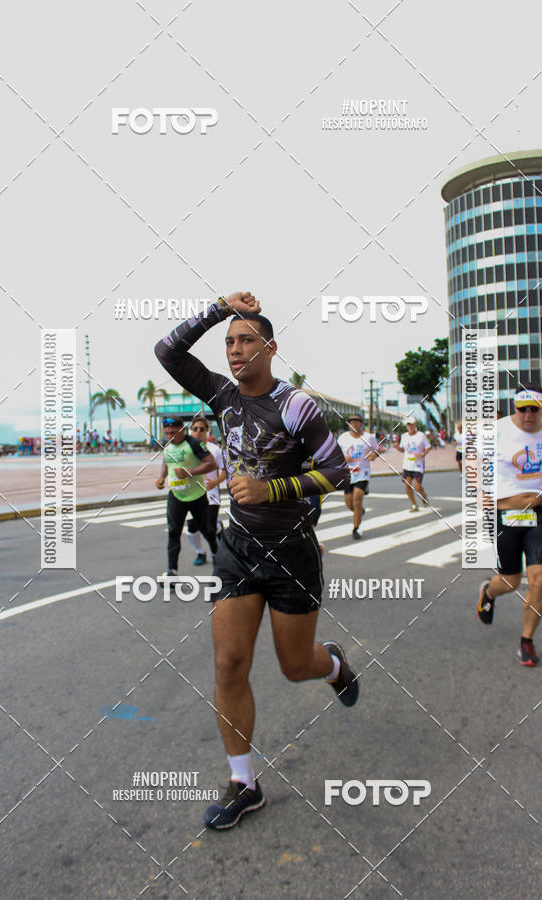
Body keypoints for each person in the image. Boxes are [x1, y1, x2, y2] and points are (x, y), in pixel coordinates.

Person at [155, 291, 357, 830]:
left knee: (296, 667)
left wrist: (274, 489)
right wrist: (218, 308)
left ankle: (332, 663)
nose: (235, 350)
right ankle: (244, 781)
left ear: (270, 347)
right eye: (229, 342)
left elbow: (337, 472)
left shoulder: (296, 406)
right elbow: (167, 352)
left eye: (247, 340)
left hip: (292, 551)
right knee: (228, 663)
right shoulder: (223, 395)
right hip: (238, 550)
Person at [476, 383, 542, 666]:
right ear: (515, 407)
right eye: (522, 409)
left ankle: (526, 640)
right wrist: (481, 492)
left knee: (540, 579)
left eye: (534, 409)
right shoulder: (498, 431)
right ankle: (489, 592)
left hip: (540, 514)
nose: (528, 415)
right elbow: (475, 462)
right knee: (510, 581)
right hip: (506, 514)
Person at [155, 416, 219, 578]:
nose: (169, 436)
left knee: (207, 531)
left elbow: (211, 464)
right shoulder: (168, 444)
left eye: (173, 433)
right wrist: (161, 478)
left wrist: (189, 472)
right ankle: (172, 571)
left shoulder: (194, 444)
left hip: (196, 496)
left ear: (182, 430)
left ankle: (218, 556)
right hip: (176, 496)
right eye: (167, 433)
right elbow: (166, 461)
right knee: (173, 533)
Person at [186, 415, 226, 566]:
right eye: (195, 429)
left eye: (202, 429)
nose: (198, 432)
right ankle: (200, 553)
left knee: (208, 529)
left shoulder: (215, 450)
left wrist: (215, 482)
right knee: (191, 528)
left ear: (208, 431)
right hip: (191, 496)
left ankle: (216, 555)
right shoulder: (186, 450)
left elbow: (225, 471)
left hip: (211, 495)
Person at [337, 415, 379, 539]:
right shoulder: (343, 438)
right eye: (351, 422)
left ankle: (356, 528)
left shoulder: (368, 437)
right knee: (349, 504)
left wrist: (373, 456)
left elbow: (376, 450)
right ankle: (360, 511)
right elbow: (336, 453)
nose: (354, 424)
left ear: (361, 424)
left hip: (362, 473)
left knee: (357, 500)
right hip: (348, 474)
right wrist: (343, 458)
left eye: (356, 422)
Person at [395, 416, 431, 511]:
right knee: (407, 485)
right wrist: (396, 447)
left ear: (415, 425)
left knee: (417, 486)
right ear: (406, 426)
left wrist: (422, 454)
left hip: (418, 464)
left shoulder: (421, 435)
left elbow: (428, 447)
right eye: (408, 425)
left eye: (412, 424)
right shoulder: (404, 436)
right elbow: (402, 449)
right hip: (407, 465)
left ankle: (423, 496)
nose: (410, 426)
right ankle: (414, 505)